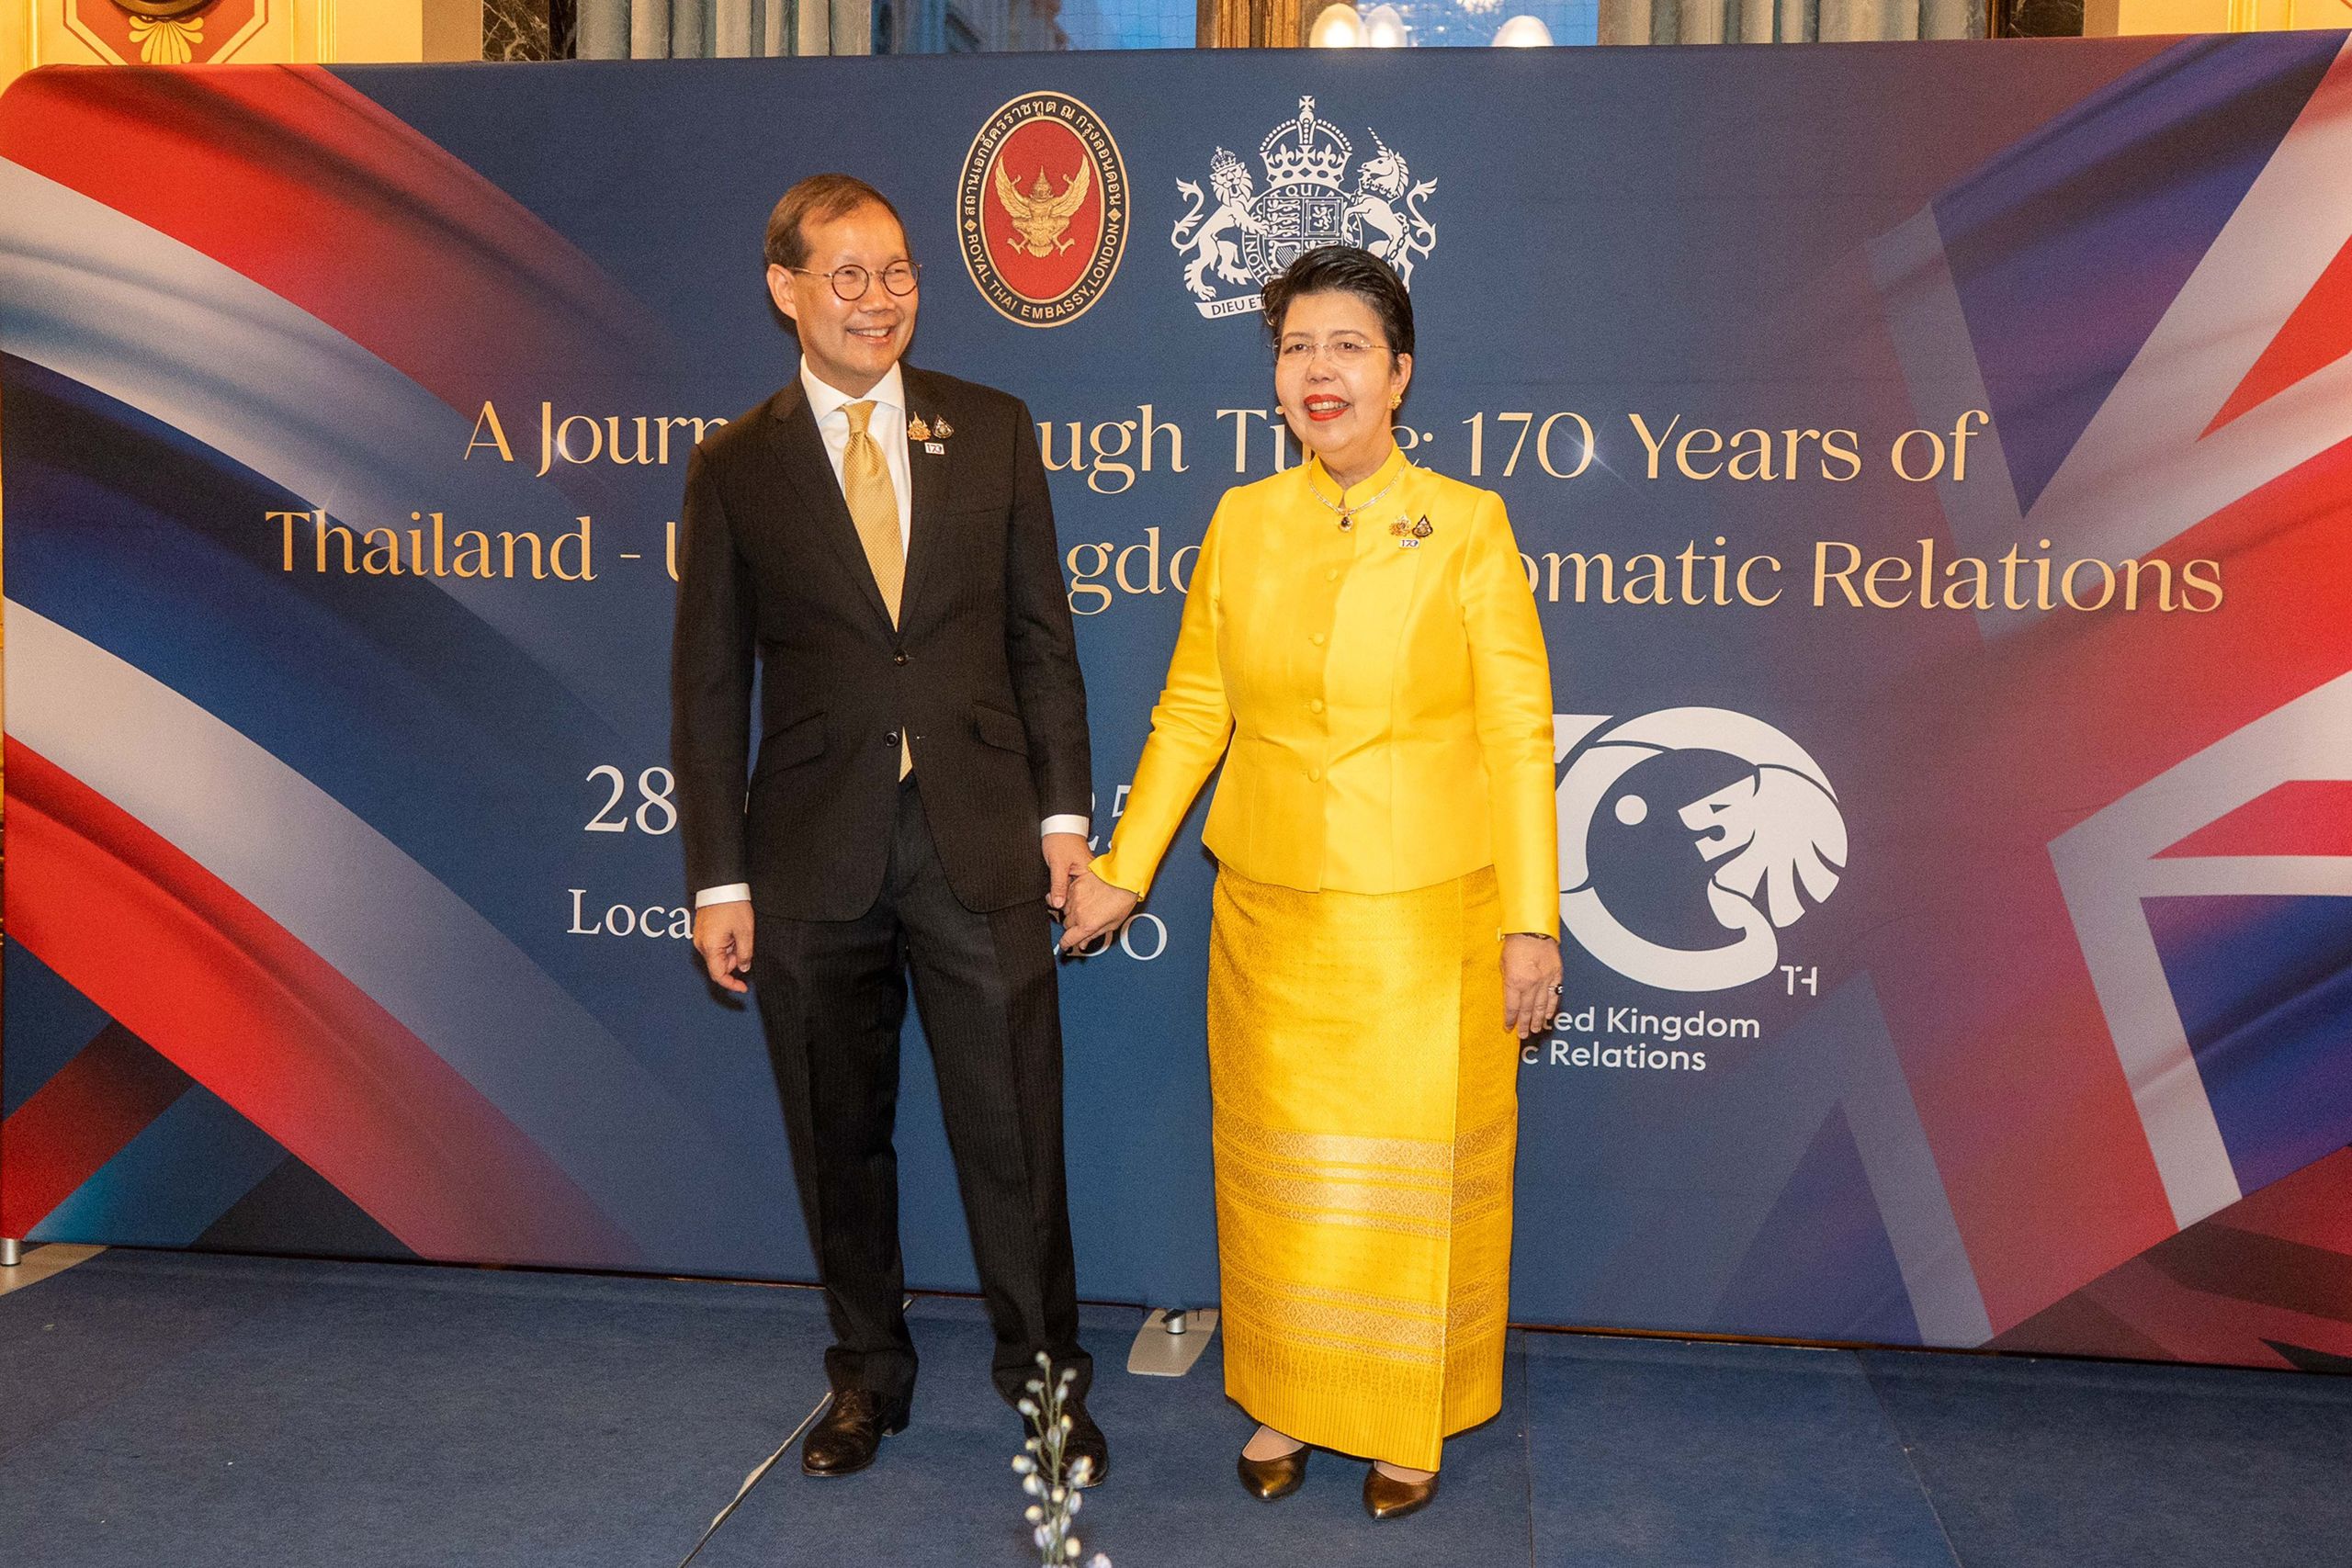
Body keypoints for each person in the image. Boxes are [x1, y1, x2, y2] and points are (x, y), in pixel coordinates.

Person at [1059, 245, 1560, 1520]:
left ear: (1400, 374)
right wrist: (1124, 869)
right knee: (1281, 1176)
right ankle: (1285, 1394)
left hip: (1423, 918)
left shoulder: (1469, 525)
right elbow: (1194, 708)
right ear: (1275, 377)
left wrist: (1532, 923)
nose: (1319, 371)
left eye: (1347, 346)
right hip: (1268, 910)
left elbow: (1518, 737)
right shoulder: (1242, 521)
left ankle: (1404, 1419)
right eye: (1295, 348)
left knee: (1407, 1185)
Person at [670, 173, 1106, 1484]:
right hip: (812, 852)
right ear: (785, 289)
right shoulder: (735, 465)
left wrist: (1064, 817)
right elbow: (708, 686)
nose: (879, 299)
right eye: (848, 275)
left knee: (1015, 1135)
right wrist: (717, 879)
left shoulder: (993, 428)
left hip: (980, 834)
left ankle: (1047, 1392)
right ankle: (866, 1376)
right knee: (837, 1136)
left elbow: (1042, 642)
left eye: (898, 271)